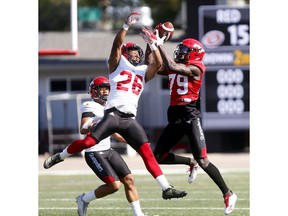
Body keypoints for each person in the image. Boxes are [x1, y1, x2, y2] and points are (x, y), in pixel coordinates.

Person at [43, 11, 187, 203]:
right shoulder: (116, 65)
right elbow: (117, 45)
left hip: (129, 119)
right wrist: (125, 27)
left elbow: (158, 63)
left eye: (138, 53)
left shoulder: (144, 71)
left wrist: (154, 43)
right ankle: (59, 156)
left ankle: (166, 188)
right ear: (125, 54)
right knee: (88, 143)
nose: (136, 55)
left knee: (146, 152)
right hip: (113, 114)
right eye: (132, 53)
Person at [151, 35, 237, 215]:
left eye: (184, 51)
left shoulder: (198, 67)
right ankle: (190, 163)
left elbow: (173, 66)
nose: (180, 53)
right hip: (175, 116)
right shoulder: (176, 65)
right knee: (158, 156)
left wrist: (159, 44)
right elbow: (153, 66)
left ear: (194, 54)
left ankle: (228, 193)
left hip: (190, 115)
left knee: (204, 160)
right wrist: (150, 43)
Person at [75, 76, 145, 216]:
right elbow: (83, 128)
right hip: (94, 151)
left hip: (108, 150)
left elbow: (115, 134)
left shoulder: (110, 107)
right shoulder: (89, 105)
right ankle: (83, 199)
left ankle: (138, 215)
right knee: (114, 185)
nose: (106, 92)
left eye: (108, 88)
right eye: (102, 88)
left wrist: (136, 142)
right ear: (94, 91)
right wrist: (94, 124)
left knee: (129, 180)